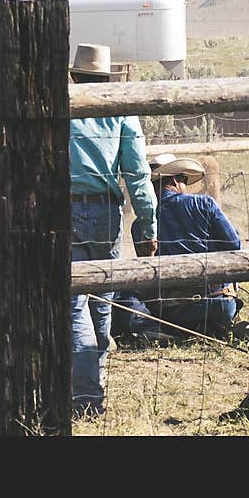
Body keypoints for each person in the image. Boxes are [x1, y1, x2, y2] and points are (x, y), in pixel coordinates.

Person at [68, 43, 158, 419]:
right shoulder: (120, 111)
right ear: (108, 77)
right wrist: (148, 224)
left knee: (73, 306)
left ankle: (85, 396)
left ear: (74, 76)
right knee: (102, 302)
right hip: (106, 213)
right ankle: (95, 385)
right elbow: (137, 173)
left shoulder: (63, 108)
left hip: (65, 209)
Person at [113, 153, 244, 346]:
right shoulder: (204, 204)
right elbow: (234, 246)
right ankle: (215, 327)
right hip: (219, 305)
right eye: (184, 179)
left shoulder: (140, 225)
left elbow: (147, 272)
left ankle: (152, 329)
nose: (185, 185)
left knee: (121, 294)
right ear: (175, 180)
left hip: (171, 312)